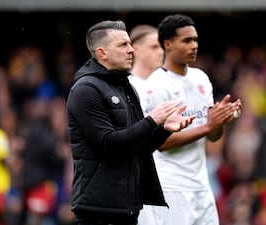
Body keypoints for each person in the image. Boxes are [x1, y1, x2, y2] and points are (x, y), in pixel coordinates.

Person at [66, 20, 196, 225]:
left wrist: (163, 130)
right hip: (98, 209)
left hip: (127, 207)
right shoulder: (85, 90)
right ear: (102, 53)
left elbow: (138, 146)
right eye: (123, 45)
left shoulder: (125, 87)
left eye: (129, 44)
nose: (130, 50)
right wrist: (152, 120)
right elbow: (108, 143)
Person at [137, 14, 242, 225]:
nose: (194, 45)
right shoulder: (156, 85)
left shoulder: (200, 78)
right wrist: (207, 127)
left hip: (202, 184)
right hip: (172, 187)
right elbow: (161, 143)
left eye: (195, 40)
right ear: (167, 44)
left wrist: (220, 121)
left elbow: (212, 136)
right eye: (186, 41)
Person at [128, 24, 164, 99]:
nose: (161, 52)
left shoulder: (167, 82)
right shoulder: (126, 85)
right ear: (136, 50)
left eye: (162, 47)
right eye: (154, 47)